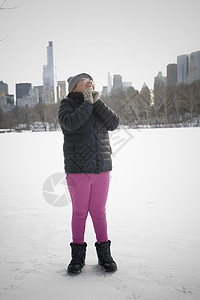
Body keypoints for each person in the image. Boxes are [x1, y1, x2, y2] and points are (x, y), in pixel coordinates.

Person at [58, 73, 120, 274]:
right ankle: (77, 258)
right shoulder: (66, 104)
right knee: (79, 213)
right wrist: (86, 103)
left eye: (91, 80)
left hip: (101, 167)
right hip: (78, 169)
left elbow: (113, 122)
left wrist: (96, 100)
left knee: (99, 212)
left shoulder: (96, 103)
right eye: (85, 81)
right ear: (75, 86)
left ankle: (105, 256)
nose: (90, 83)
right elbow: (70, 124)